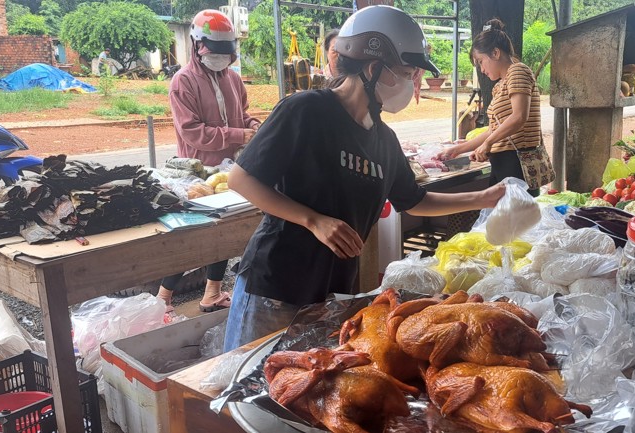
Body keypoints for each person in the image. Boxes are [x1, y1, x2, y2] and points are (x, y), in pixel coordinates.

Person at [222, 5, 506, 351]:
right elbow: (242, 179)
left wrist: (483, 198)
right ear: (374, 68)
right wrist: (313, 220)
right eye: (407, 72)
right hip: (277, 287)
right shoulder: (306, 110)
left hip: (333, 293)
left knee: (307, 392)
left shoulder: (384, 140)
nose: (412, 83)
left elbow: (414, 199)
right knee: (247, 388)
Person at [161, 9, 263, 313]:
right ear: (196, 45)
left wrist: (253, 125)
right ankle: (163, 298)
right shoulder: (183, 82)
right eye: (213, 52)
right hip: (198, 174)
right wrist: (238, 135)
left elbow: (242, 114)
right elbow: (192, 133)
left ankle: (213, 293)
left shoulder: (233, 79)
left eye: (225, 52)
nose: (219, 58)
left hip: (230, 171)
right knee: (193, 241)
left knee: (224, 234)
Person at [438, 19, 544, 196]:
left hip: (517, 163)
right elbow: (494, 130)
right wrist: (457, 150)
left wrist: (488, 144)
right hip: (502, 163)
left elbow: (519, 117)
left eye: (480, 61)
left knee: (517, 220)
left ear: (495, 53)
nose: (481, 69)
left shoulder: (518, 72)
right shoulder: (499, 86)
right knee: (500, 219)